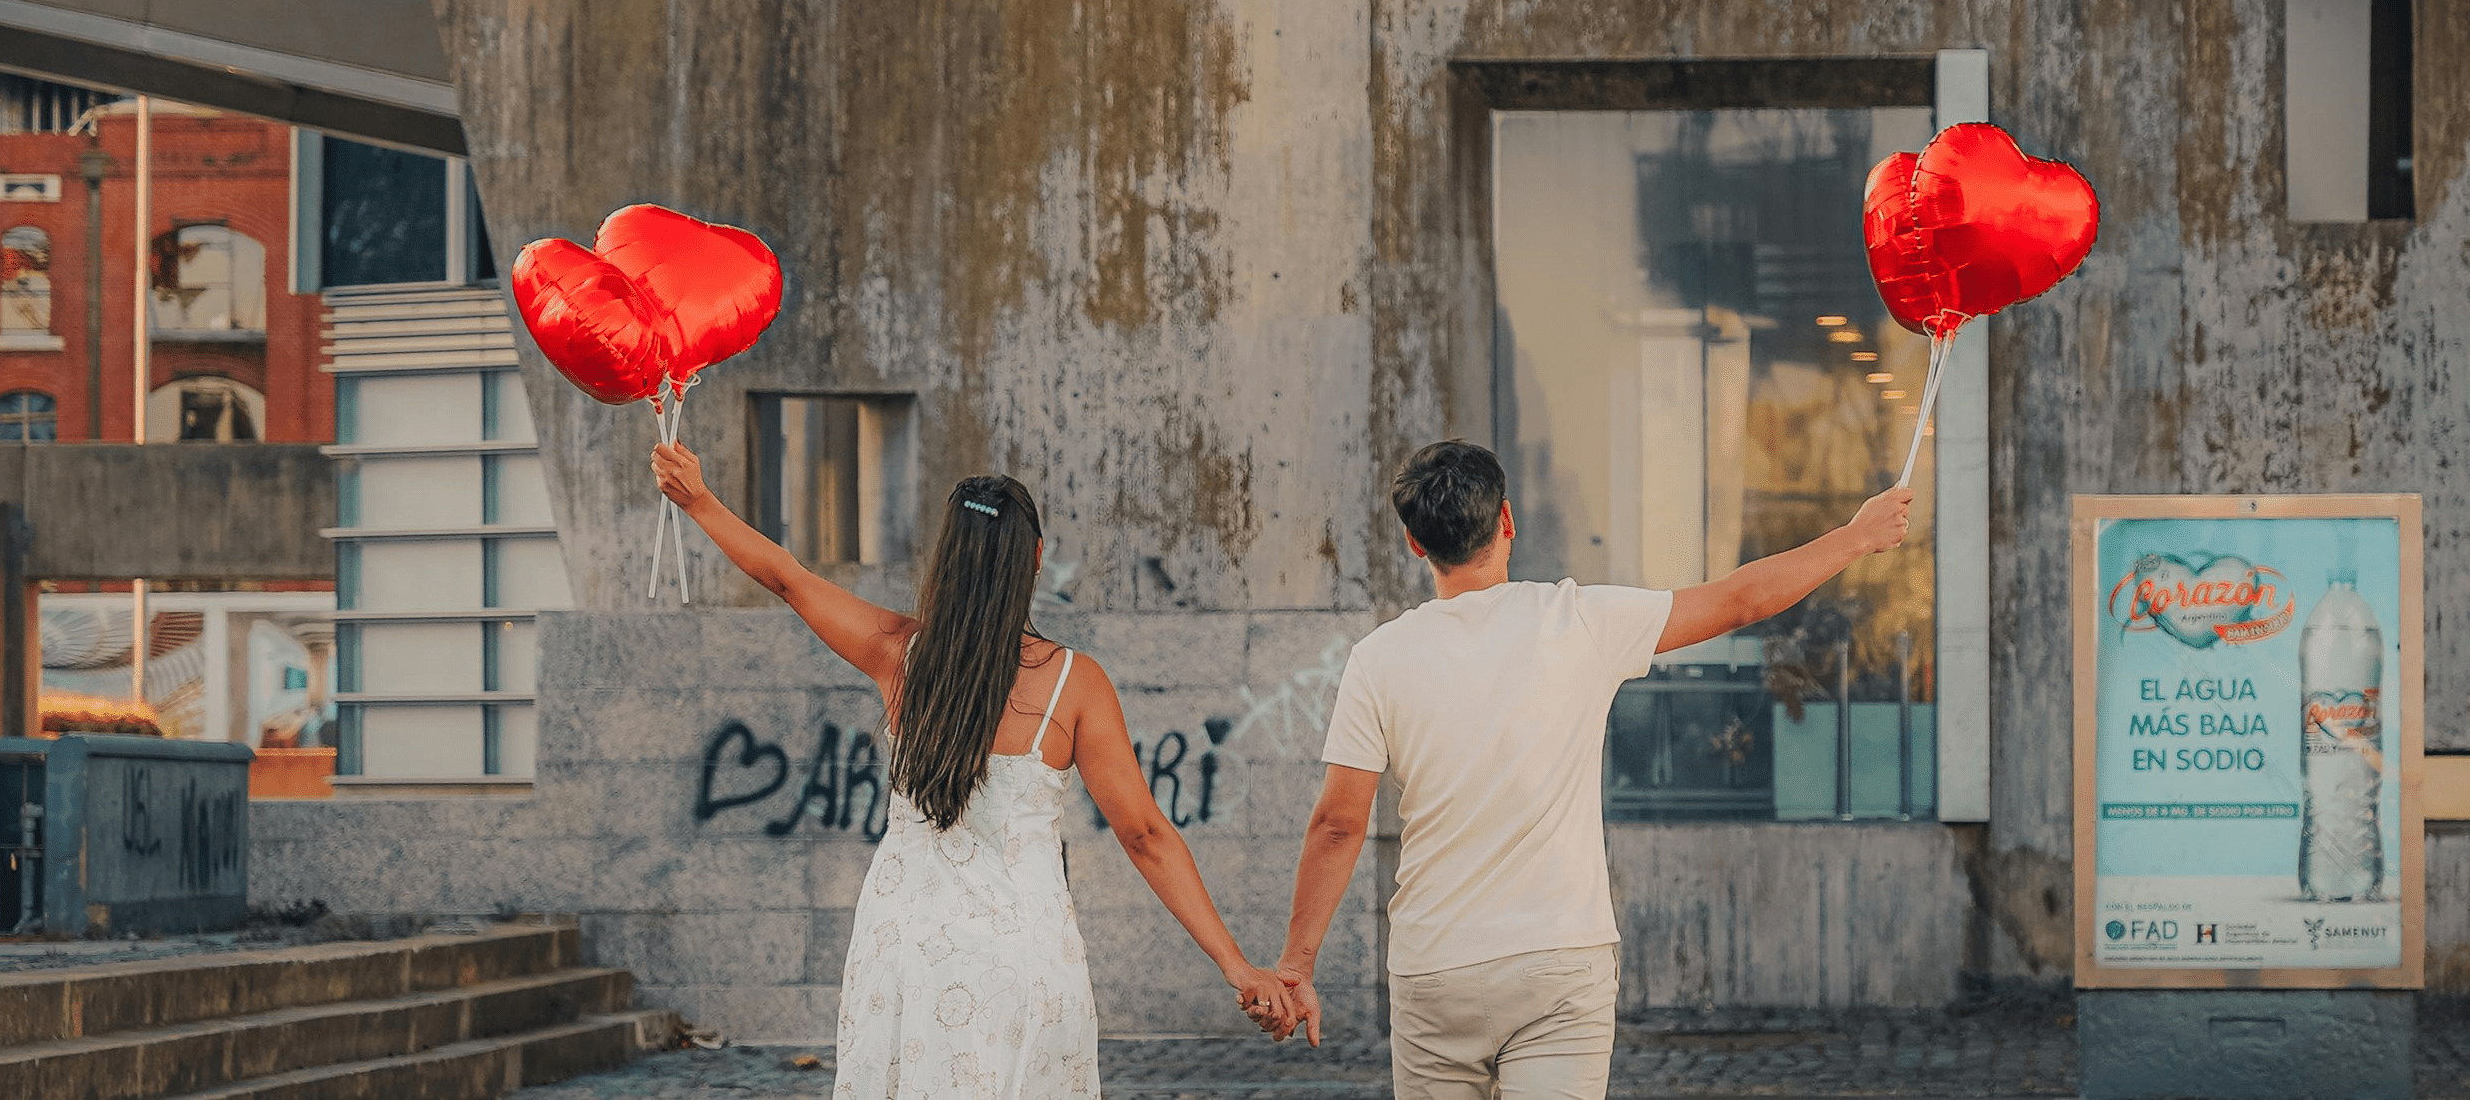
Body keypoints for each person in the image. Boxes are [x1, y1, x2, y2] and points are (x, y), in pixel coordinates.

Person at [1247, 439, 1915, 1098]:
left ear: (1415, 543)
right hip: (1558, 962)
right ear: (1507, 521)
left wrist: (1297, 963)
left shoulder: (1378, 658)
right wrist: (1856, 537)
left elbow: (1338, 824)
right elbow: (1741, 599)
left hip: (1434, 967)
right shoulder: (1578, 621)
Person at [653, 443, 1292, 1098]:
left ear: (947, 556)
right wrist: (1237, 966)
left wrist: (699, 500)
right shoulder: (1076, 684)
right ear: (1035, 558)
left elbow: (788, 578)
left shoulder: (899, 655)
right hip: (1024, 962)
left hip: (904, 956)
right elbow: (1145, 835)